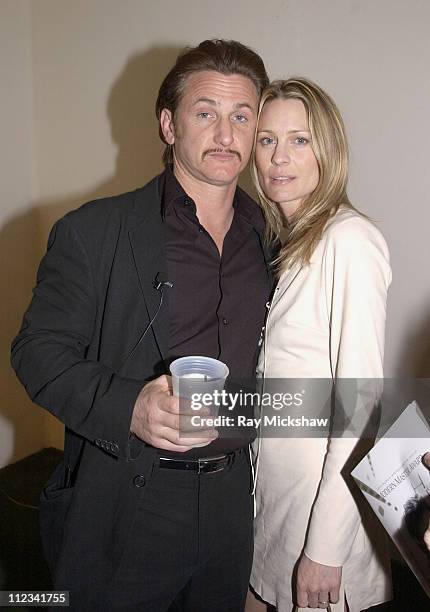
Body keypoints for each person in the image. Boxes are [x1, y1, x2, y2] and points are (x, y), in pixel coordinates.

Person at [11, 39, 272, 612]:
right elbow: (37, 352)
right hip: (129, 500)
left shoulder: (271, 240)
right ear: (168, 124)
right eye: (205, 113)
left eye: (241, 116)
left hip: (234, 501)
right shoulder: (94, 231)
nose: (226, 135)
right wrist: (128, 405)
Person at [245, 78, 392, 612]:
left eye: (300, 140)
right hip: (277, 511)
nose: (279, 157)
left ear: (328, 149)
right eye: (265, 139)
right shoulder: (285, 244)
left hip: (323, 531)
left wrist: (324, 548)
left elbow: (362, 406)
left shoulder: (348, 240)